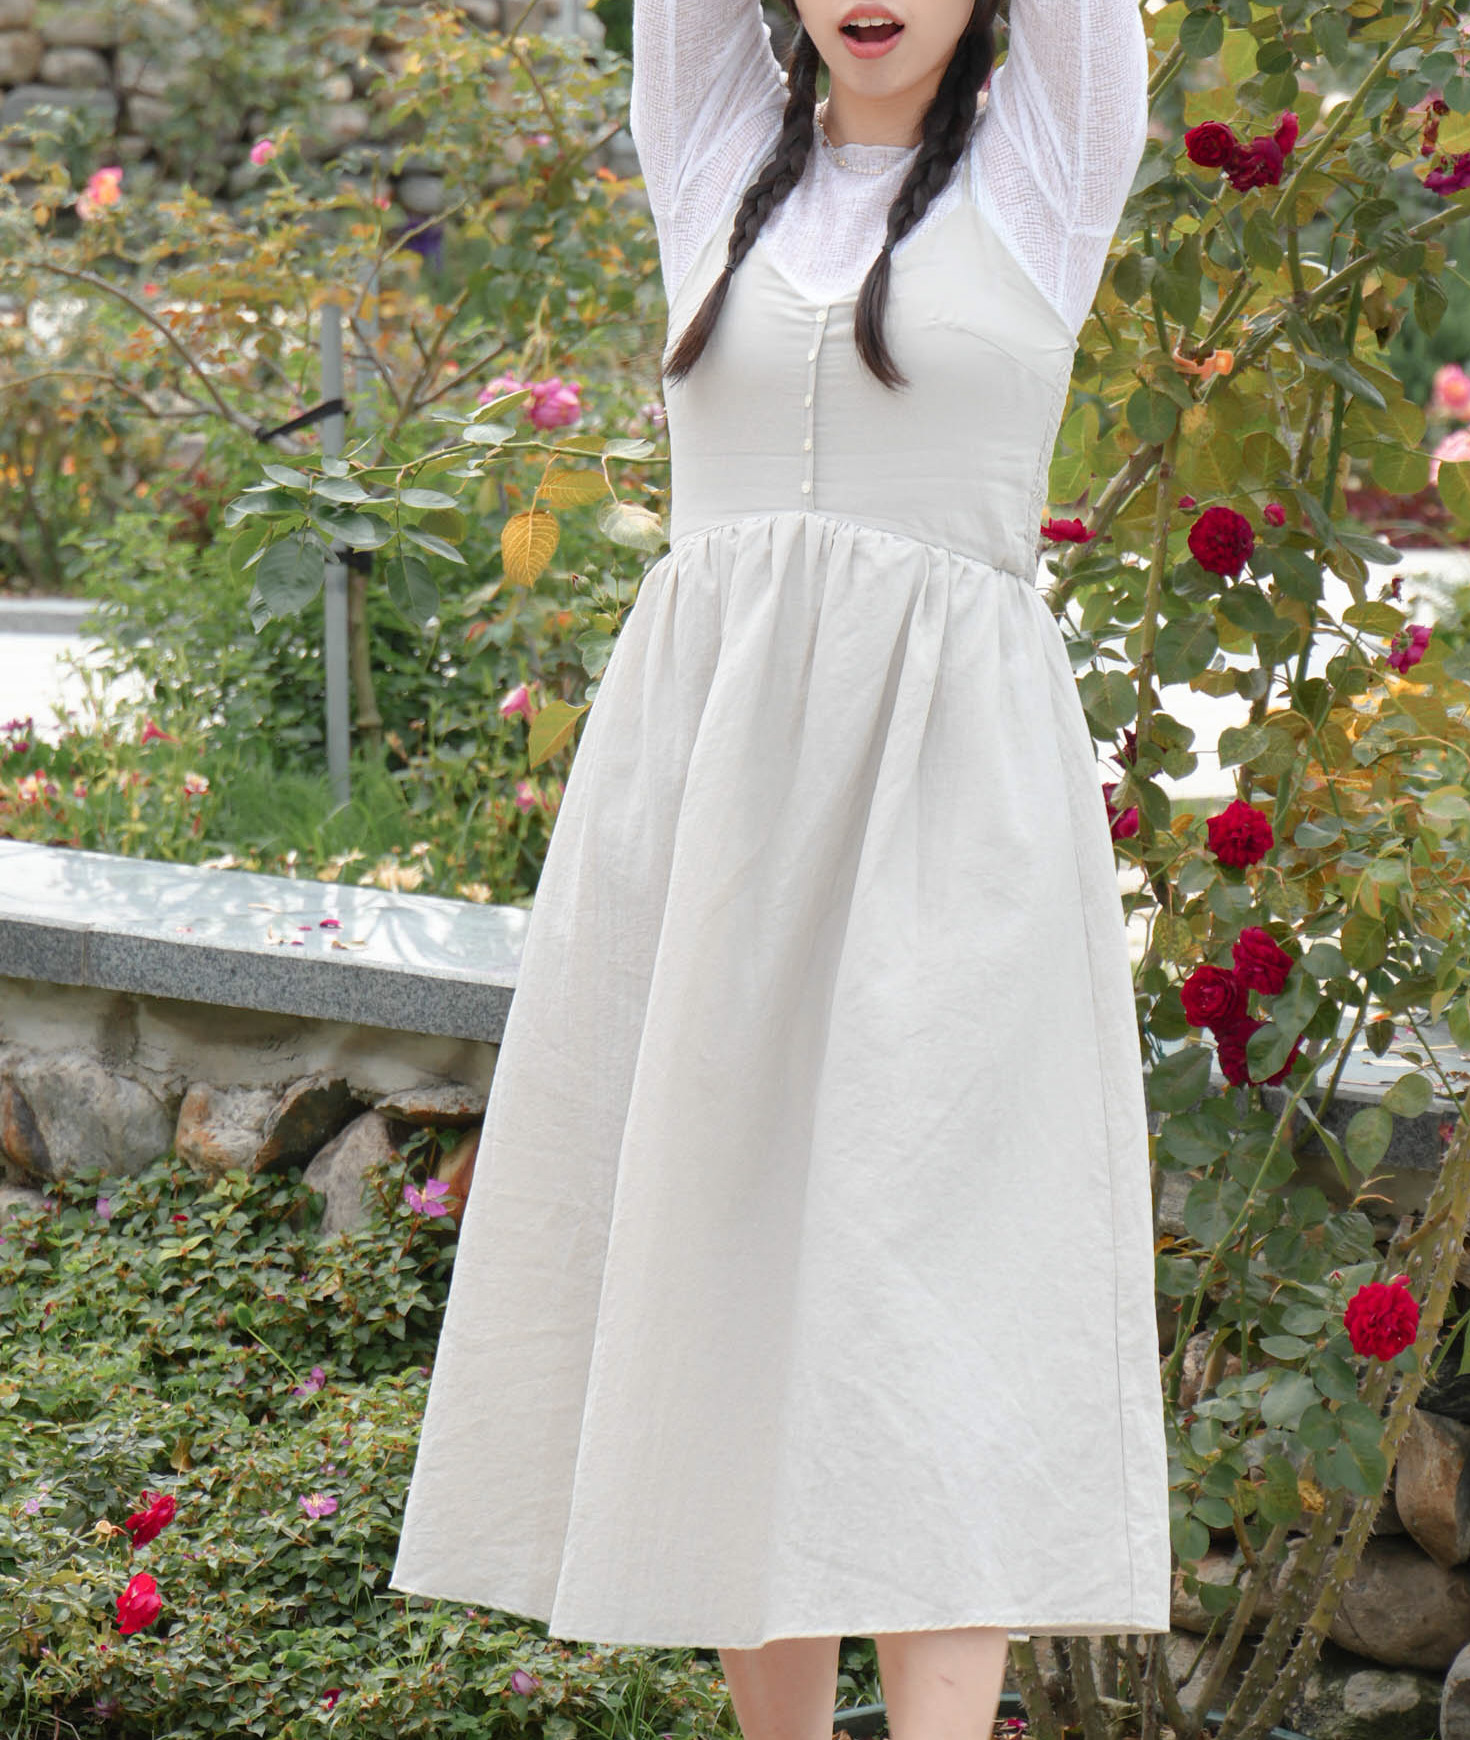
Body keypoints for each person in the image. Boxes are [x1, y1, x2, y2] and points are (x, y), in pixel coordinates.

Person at [390, 2, 1172, 1735]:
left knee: (940, 1314)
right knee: (729, 1280)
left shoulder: (1047, 168)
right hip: (713, 816)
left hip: (951, 828)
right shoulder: (716, 154)